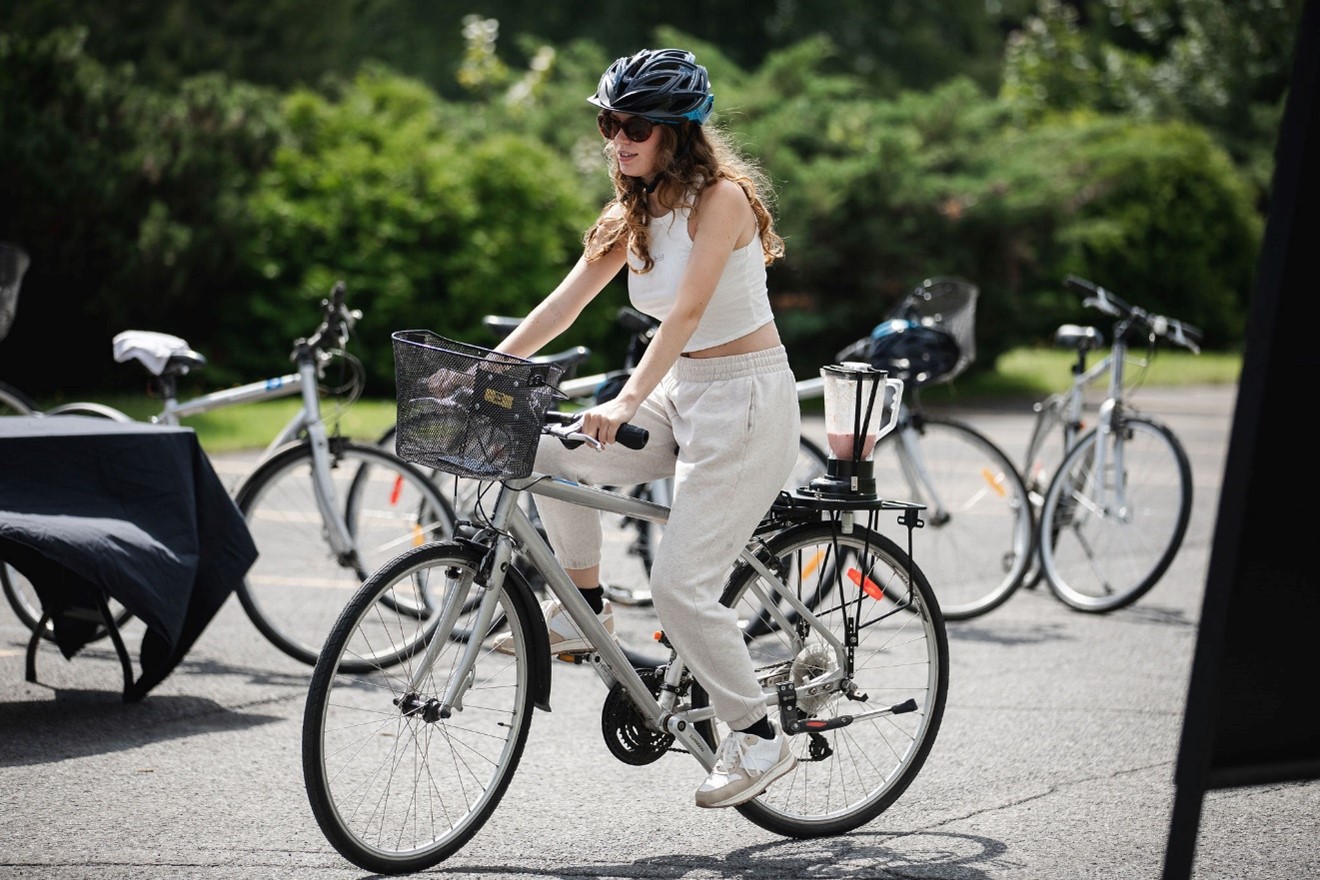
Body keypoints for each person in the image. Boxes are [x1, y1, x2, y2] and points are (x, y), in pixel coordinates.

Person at [492, 48, 802, 810]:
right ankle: (585, 607)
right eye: (608, 122)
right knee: (542, 448)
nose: (617, 139)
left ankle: (759, 735)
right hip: (685, 390)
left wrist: (627, 401)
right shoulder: (626, 213)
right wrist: (483, 371)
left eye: (633, 125)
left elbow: (689, 312)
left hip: (748, 403)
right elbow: (561, 307)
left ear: (676, 132)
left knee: (679, 586)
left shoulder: (720, 200)